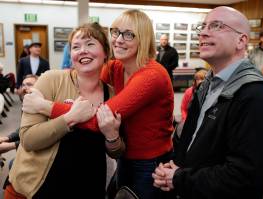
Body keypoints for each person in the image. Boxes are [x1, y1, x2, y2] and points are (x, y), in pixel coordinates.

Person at [20, 9, 174, 199]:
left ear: (143, 38)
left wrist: (45, 106)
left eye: (128, 34)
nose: (118, 39)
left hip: (150, 161)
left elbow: (99, 119)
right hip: (125, 156)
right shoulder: (116, 67)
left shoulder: (152, 75)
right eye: (115, 32)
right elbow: (88, 79)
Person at [152, 6, 263, 199]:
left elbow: (247, 177)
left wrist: (179, 178)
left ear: (241, 41)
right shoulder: (207, 84)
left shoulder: (258, 97)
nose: (204, 32)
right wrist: (174, 168)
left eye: (216, 26)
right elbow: (193, 137)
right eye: (203, 26)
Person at [5, 23, 124, 199]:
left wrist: (112, 136)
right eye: (76, 47)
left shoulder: (112, 94)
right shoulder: (51, 79)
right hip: (34, 189)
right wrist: (69, 118)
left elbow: (116, 152)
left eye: (90, 44)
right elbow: (28, 139)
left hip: (86, 188)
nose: (82, 50)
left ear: (106, 52)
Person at [0, 75, 38, 156]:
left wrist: (11, 145)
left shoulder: (41, 108)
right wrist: (8, 138)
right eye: (23, 85)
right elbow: (24, 128)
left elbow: (38, 137)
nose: (24, 88)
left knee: (12, 164)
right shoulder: (28, 105)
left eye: (29, 85)